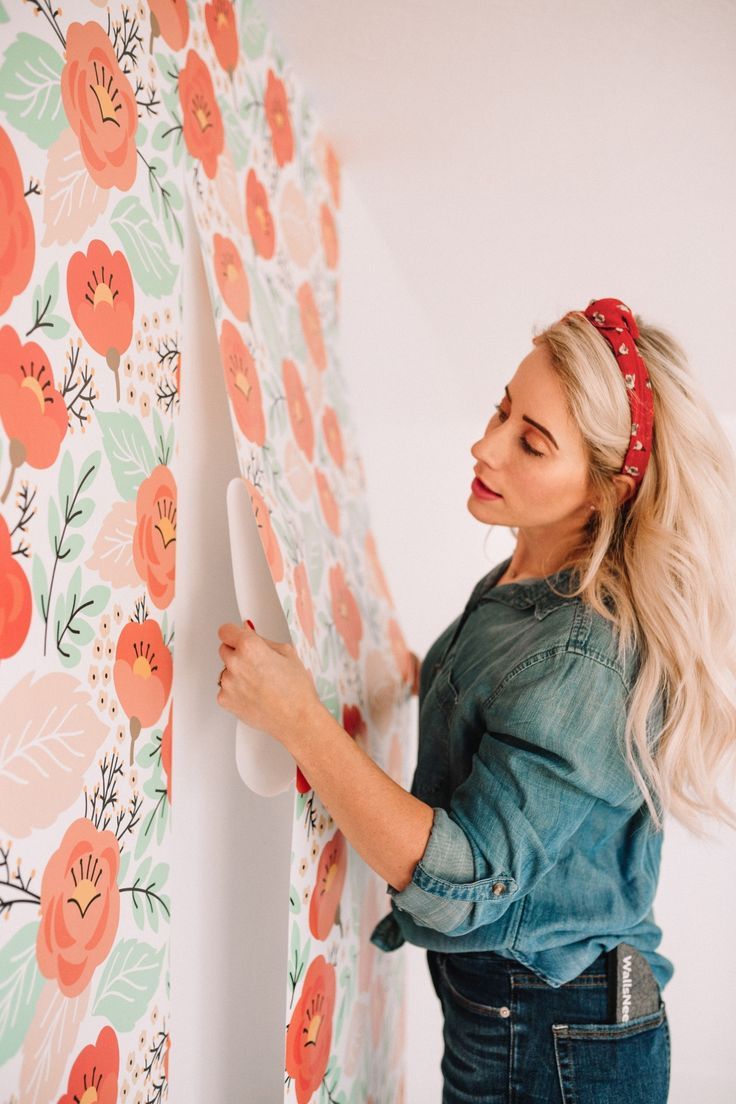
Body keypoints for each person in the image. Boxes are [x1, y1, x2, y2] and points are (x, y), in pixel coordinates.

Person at [216, 297, 736, 1104]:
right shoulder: (529, 578)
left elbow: (462, 879)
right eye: (503, 409)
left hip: (558, 1036)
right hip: (536, 1013)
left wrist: (299, 720)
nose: (484, 446)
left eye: (530, 442)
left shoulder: (585, 655)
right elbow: (504, 709)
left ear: (603, 492)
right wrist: (421, 673)